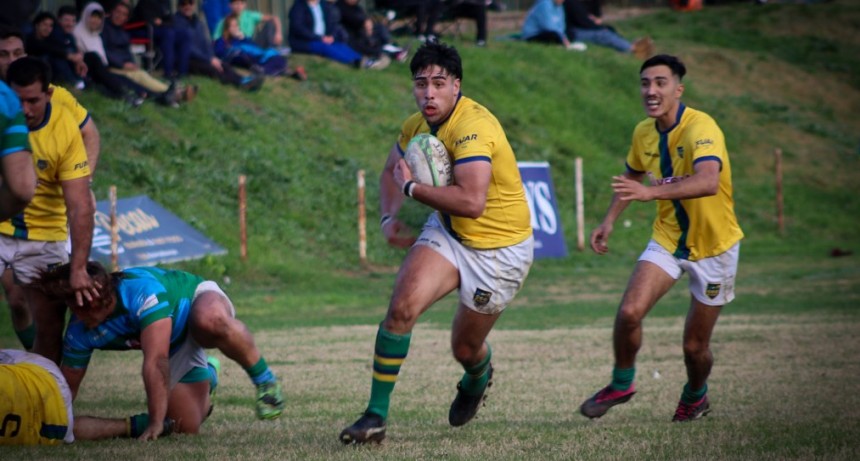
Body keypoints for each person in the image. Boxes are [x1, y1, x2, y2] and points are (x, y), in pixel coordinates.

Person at [339, 41, 534, 444]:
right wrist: (389, 216)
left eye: (439, 83)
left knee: (464, 347)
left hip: (500, 251)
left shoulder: (472, 127)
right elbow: (389, 169)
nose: (429, 93)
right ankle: (374, 417)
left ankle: (478, 376)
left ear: (456, 86)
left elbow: (472, 202)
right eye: (421, 83)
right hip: (448, 231)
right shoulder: (414, 126)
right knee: (400, 309)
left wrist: (410, 188)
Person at [579, 54, 744, 422]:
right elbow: (631, 178)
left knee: (694, 346)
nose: (650, 91)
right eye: (644, 83)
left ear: (678, 89)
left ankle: (695, 395)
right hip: (669, 238)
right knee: (629, 312)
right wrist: (607, 221)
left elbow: (708, 181)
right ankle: (622, 383)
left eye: (660, 82)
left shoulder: (702, 128)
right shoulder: (643, 133)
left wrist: (652, 194)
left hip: (715, 247)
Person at [35, 261, 287, 436]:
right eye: (73, 304)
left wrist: (156, 421)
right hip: (175, 344)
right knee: (185, 426)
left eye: (82, 304)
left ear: (100, 296)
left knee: (210, 321)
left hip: (195, 301)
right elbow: (66, 390)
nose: (77, 312)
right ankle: (208, 374)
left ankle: (266, 382)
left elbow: (156, 361)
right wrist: (43, 419)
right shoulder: (79, 332)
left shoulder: (140, 292)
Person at [0, 28, 102, 352]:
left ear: (48, 93)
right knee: (16, 300)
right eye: (4, 54)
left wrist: (84, 182)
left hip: (46, 233)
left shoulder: (64, 118)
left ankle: (45, 391)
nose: (26, 110)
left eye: (16, 53)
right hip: (2, 225)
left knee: (49, 322)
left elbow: (80, 205)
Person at [0, 348, 179, 445]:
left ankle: (133, 425)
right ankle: (135, 425)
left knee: (66, 430)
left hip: (51, 422)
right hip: (43, 379)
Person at [101, 1, 188, 108]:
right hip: (114, 67)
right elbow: (103, 52)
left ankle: (172, 91)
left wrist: (131, 63)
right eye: (118, 12)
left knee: (142, 75)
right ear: (112, 12)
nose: (120, 16)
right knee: (140, 77)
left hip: (126, 65)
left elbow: (126, 52)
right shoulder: (104, 29)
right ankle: (170, 92)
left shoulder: (122, 32)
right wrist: (122, 64)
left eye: (124, 14)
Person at [174, 0, 266, 90]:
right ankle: (240, 84)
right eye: (183, 4)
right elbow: (189, 48)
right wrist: (209, 59)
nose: (187, 6)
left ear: (194, 4)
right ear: (179, 6)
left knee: (223, 64)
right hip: (188, 59)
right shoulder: (177, 22)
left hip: (203, 57)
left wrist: (212, 57)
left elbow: (206, 43)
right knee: (213, 69)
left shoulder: (198, 22)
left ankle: (243, 79)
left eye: (190, 3)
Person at [74, 2, 149, 105]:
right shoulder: (77, 33)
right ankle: (126, 96)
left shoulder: (96, 34)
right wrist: (121, 65)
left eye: (98, 18)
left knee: (127, 80)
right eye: (93, 17)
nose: (95, 21)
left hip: (103, 70)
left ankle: (152, 95)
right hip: (90, 72)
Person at [289, 0, 388, 70]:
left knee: (340, 45)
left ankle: (364, 60)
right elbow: (298, 28)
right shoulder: (299, 6)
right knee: (324, 47)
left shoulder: (322, 5)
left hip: (323, 38)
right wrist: (319, 38)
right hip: (305, 41)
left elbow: (331, 23)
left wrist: (331, 35)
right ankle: (354, 62)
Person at [564, 0, 653, 59]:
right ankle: (632, 49)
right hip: (574, 32)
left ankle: (628, 45)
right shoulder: (572, 2)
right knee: (602, 33)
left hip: (583, 27)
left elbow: (597, 18)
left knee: (609, 29)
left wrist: (597, 22)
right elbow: (583, 22)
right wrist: (598, 26)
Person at [131, 0, 193, 81]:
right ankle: (168, 72)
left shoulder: (165, 2)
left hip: (161, 29)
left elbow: (171, 21)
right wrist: (162, 23)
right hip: (141, 29)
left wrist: (162, 23)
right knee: (168, 34)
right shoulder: (145, 2)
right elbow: (148, 19)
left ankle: (182, 71)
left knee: (185, 34)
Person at [215, 13, 291, 78]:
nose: (236, 28)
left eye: (236, 26)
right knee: (240, 53)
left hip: (256, 56)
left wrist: (243, 38)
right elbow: (220, 52)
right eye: (233, 26)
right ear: (227, 29)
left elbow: (254, 47)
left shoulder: (242, 38)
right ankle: (273, 70)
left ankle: (268, 70)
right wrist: (230, 48)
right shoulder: (221, 40)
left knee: (279, 58)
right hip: (244, 57)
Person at [24, 12, 88, 90]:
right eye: (44, 24)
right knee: (55, 58)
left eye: (50, 26)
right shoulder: (30, 39)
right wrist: (70, 56)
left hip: (51, 71)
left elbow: (61, 48)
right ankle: (73, 83)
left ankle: (80, 82)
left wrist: (78, 60)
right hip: (33, 71)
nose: (47, 28)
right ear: (37, 25)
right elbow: (46, 48)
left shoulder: (51, 38)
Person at [335, 0, 407, 62]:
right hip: (352, 34)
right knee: (365, 45)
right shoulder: (340, 5)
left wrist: (368, 24)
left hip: (363, 31)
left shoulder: (356, 7)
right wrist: (364, 23)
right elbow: (350, 18)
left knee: (380, 28)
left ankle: (391, 45)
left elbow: (364, 17)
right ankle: (392, 52)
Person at [211, 0, 285, 51]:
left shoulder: (250, 15)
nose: (238, 6)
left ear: (245, 5)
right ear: (230, 5)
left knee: (270, 24)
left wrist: (278, 33)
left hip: (250, 42)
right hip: (236, 45)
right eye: (236, 4)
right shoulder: (224, 21)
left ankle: (273, 51)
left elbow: (274, 18)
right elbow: (216, 40)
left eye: (241, 3)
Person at [521, 0, 586, 51]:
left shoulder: (559, 6)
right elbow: (547, 26)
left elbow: (561, 25)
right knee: (553, 35)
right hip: (534, 35)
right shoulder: (544, 4)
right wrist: (561, 37)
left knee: (570, 33)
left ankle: (560, 44)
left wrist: (563, 36)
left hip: (551, 33)